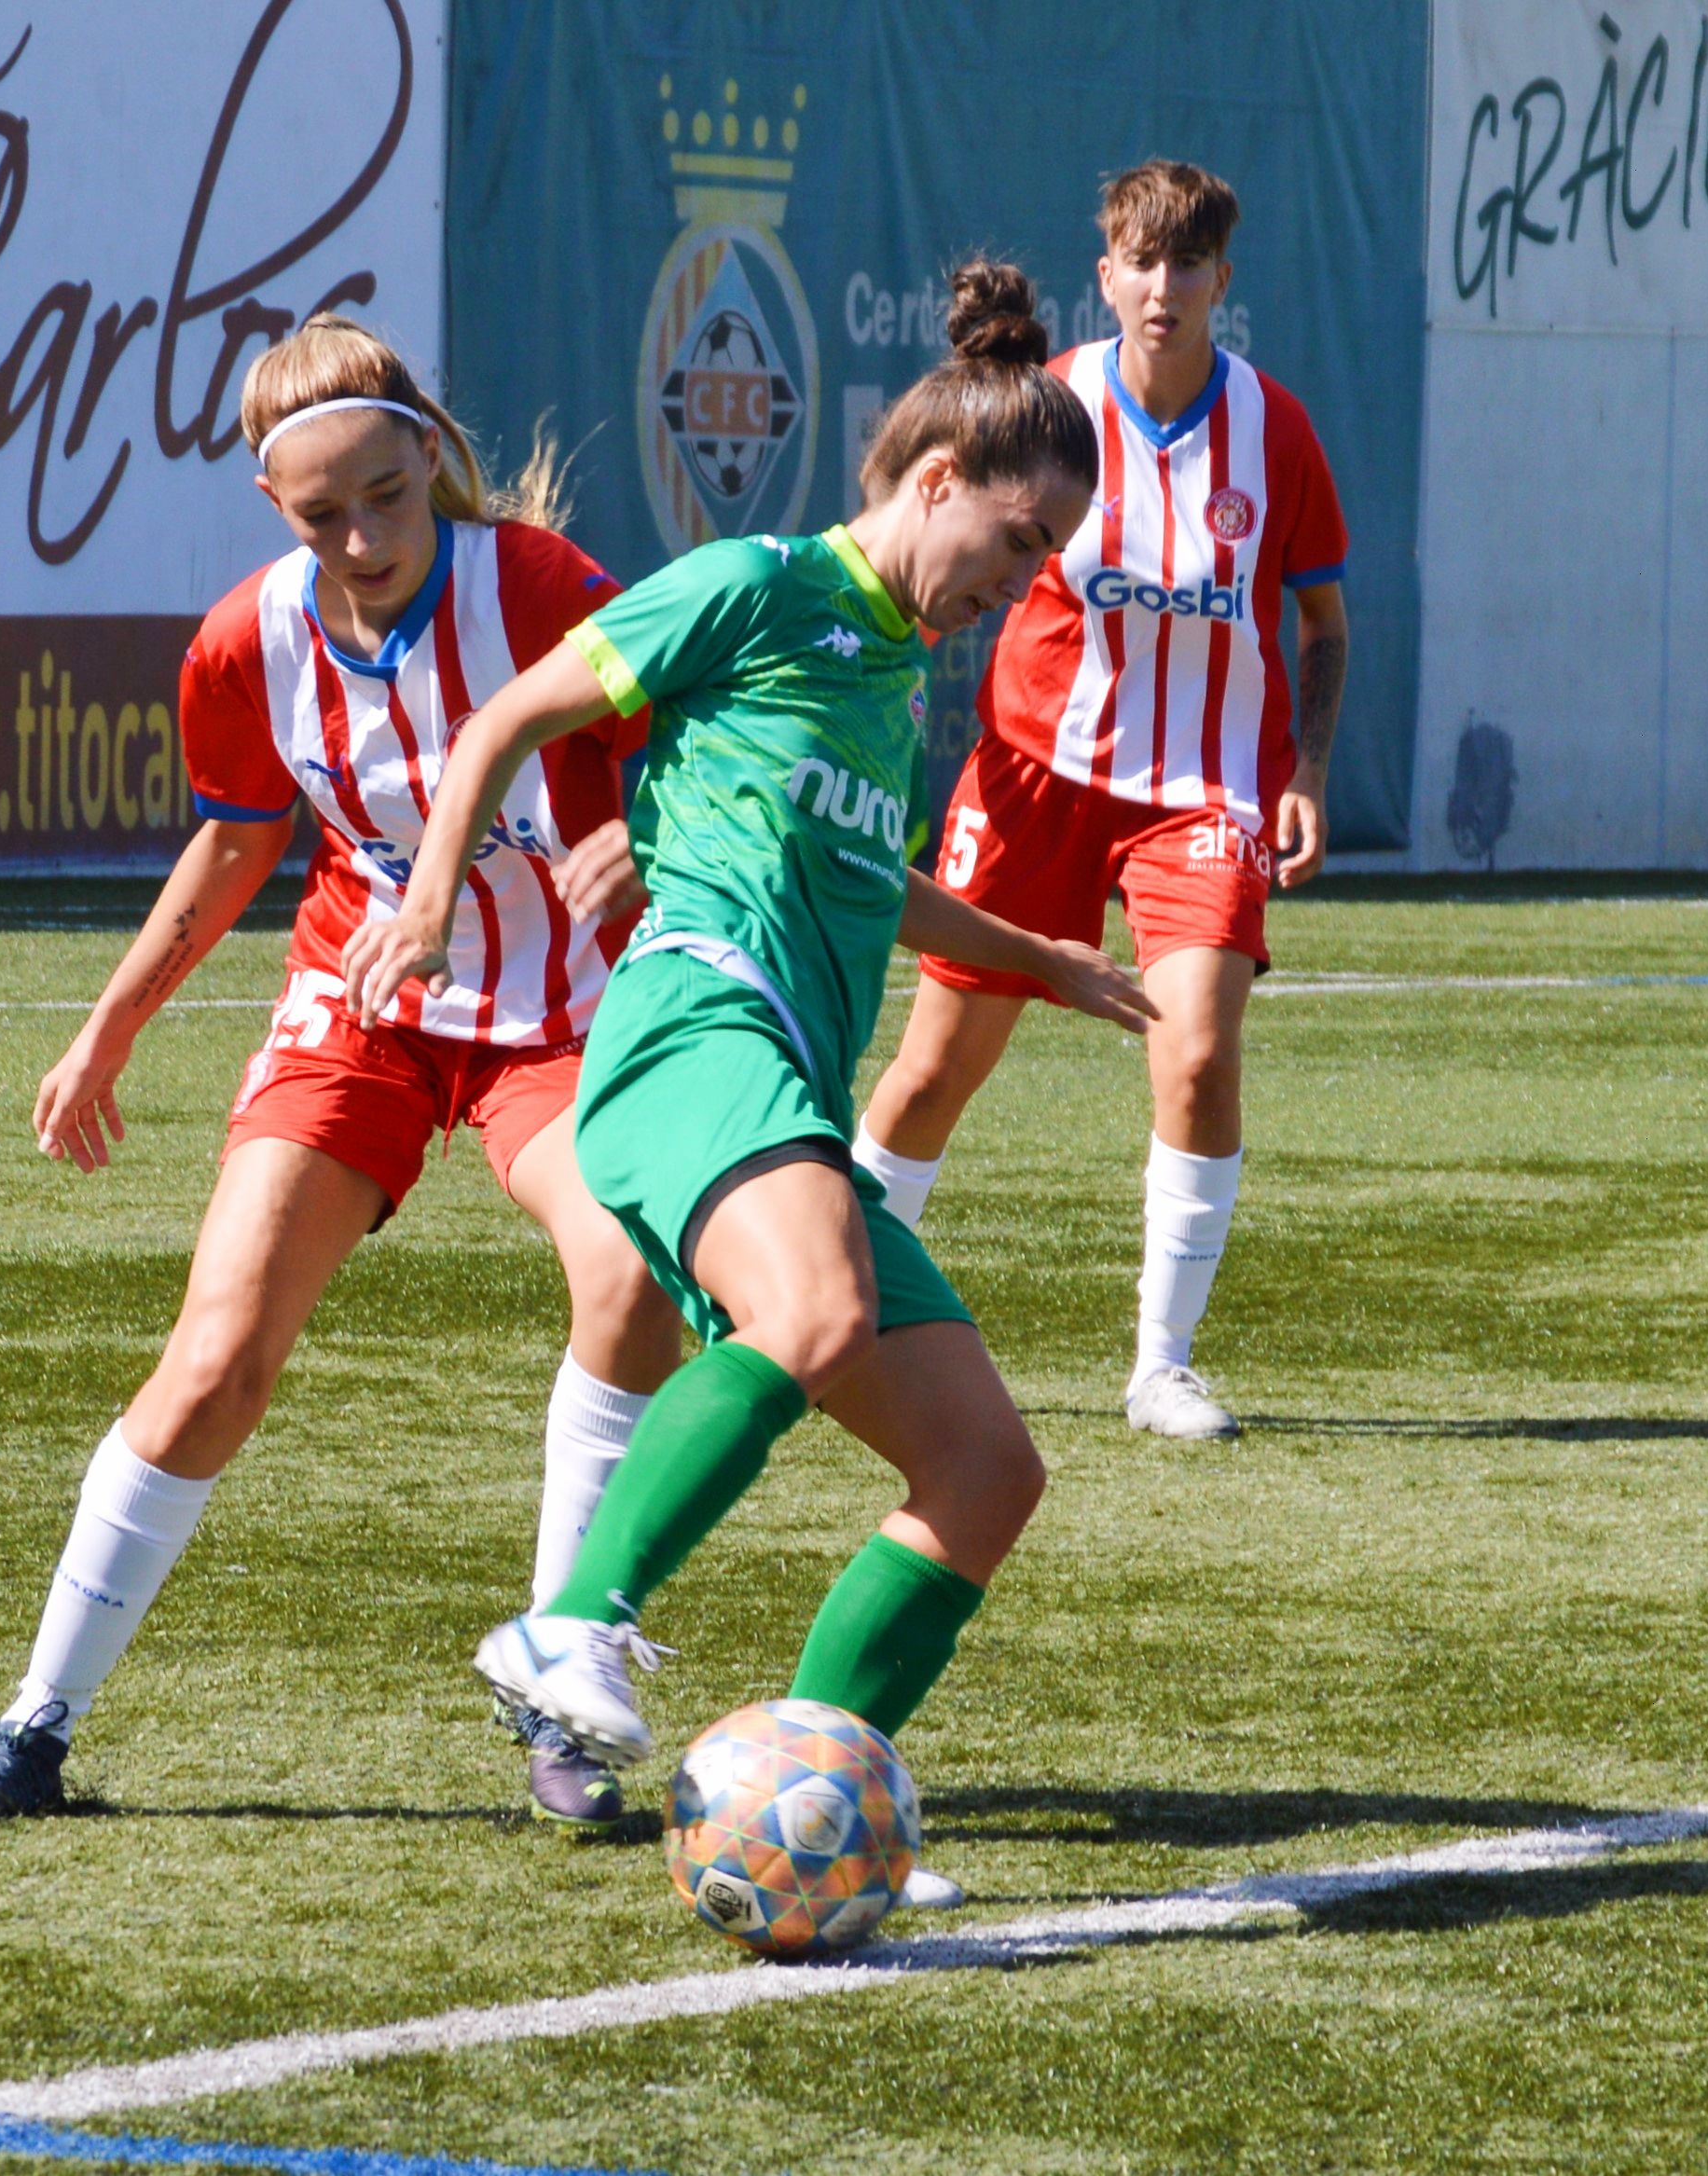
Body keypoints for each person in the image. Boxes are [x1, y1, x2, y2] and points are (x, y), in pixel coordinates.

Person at [340, 262, 1152, 1791]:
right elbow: (507, 718)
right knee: (819, 1314)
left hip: (772, 1074)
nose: (1027, 580)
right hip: (692, 1028)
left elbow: (860, 877)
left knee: (987, 1469)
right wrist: (435, 897)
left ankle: (810, 1779)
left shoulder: (894, 669)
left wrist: (1032, 955)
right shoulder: (758, 586)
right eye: (1021, 539)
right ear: (935, 479)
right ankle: (567, 1619)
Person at [0, 315, 679, 1830]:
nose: (366, 534)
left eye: (389, 493)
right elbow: (237, 838)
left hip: (566, 1010)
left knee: (629, 1277)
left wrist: (641, 837)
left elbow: (697, 724)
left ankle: (559, 1690)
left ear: (432, 460)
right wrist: (108, 1028)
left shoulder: (536, 587)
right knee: (216, 1358)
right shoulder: (243, 638)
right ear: (276, 508)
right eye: (324, 513)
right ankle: (33, 1723)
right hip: (364, 1000)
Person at [847, 160, 1350, 1442]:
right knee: (929, 1069)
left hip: (1201, 792)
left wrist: (1303, 769)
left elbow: (1320, 617)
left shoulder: (1273, 428)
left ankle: (1161, 1365)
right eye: (1139, 260)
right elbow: (924, 542)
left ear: (1219, 283)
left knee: (1193, 1048)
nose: (1162, 286)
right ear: (1105, 275)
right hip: (1033, 778)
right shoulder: (1049, 405)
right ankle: (823, 1313)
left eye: (1187, 264)